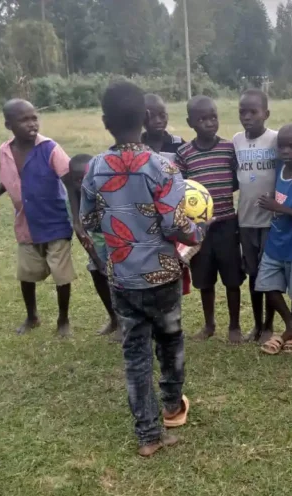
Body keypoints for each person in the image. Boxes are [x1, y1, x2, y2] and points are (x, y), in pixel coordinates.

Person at [81, 80, 205, 457]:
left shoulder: (95, 168)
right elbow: (173, 224)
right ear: (148, 118)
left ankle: (148, 435)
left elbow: (88, 219)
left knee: (135, 354)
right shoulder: (163, 167)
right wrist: (198, 230)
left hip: (122, 278)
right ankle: (171, 406)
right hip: (163, 276)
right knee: (170, 341)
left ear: (105, 122)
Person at [0, 99, 76, 337]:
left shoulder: (50, 148)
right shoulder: (5, 151)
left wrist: (77, 219)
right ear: (9, 125)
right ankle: (32, 316)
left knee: (62, 275)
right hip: (26, 223)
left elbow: (69, 180)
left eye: (34, 118)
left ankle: (63, 320)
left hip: (55, 221)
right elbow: (9, 179)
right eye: (24, 120)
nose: (32, 124)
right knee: (26, 273)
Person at [175, 96, 246, 344]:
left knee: (232, 277)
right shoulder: (184, 153)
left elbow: (235, 181)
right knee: (204, 278)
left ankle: (235, 325)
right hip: (199, 230)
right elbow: (180, 188)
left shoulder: (229, 149)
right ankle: (209, 324)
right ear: (190, 122)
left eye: (213, 117)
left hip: (227, 223)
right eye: (202, 119)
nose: (209, 122)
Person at [255, 124, 292, 355]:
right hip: (276, 243)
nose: (286, 150)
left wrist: (278, 207)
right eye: (282, 146)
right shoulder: (280, 166)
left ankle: (291, 333)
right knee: (266, 283)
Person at [233, 89, 278, 343]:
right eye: (242, 112)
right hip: (246, 220)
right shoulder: (237, 140)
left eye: (253, 112)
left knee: (269, 274)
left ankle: (270, 325)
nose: (247, 117)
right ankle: (257, 324)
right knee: (252, 274)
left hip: (271, 222)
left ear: (266, 114)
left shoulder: (276, 139)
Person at [64, 153, 119, 339]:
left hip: (116, 237)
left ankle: (125, 321)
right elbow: (78, 227)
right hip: (96, 239)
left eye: (85, 178)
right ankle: (114, 318)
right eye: (76, 179)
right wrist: (96, 258)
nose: (81, 183)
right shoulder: (74, 194)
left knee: (119, 279)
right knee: (97, 273)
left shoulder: (107, 188)